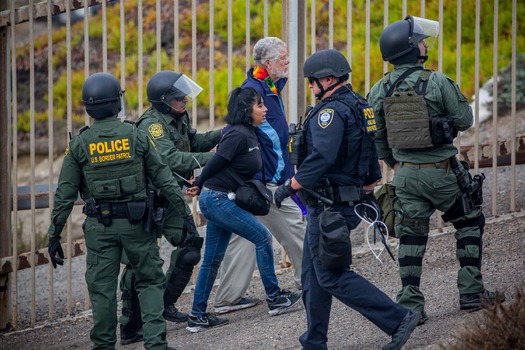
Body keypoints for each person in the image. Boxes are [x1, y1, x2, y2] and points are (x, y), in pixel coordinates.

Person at [273, 49, 420, 350]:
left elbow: (322, 156)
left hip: (331, 206)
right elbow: (370, 149)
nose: (311, 87)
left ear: (328, 79)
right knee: (313, 275)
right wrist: (368, 186)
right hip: (346, 199)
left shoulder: (330, 112)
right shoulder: (360, 105)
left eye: (313, 82)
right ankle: (314, 342)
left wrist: (292, 184)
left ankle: (398, 319)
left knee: (330, 275)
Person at [367, 15, 504, 325]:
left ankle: (411, 305)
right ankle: (471, 292)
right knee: (469, 221)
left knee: (411, 237)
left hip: (406, 175)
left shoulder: (379, 89)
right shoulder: (437, 81)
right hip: (442, 172)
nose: (424, 44)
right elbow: (465, 120)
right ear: (413, 49)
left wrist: (394, 162)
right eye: (421, 41)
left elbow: (375, 135)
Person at [46, 72, 193, 350]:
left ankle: (103, 346)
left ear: (88, 107)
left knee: (102, 290)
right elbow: (163, 177)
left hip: (99, 230)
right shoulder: (136, 134)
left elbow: (64, 194)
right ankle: (156, 345)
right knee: (150, 281)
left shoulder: (79, 144)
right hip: (137, 225)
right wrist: (184, 213)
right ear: (117, 103)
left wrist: (54, 235)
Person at [185, 87, 302, 333]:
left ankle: (197, 317)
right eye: (260, 105)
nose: (265, 109)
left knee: (212, 259)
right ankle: (275, 297)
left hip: (220, 199)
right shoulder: (237, 134)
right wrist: (198, 182)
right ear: (246, 110)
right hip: (217, 199)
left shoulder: (251, 133)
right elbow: (216, 161)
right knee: (262, 237)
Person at [118, 70, 221, 344]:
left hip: (170, 196)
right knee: (139, 264)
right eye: (178, 97)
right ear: (163, 101)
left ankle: (163, 304)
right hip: (147, 200)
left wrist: (224, 134)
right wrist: (214, 158)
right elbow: (171, 158)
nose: (185, 100)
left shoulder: (179, 117)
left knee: (189, 247)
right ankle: (130, 325)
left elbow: (192, 142)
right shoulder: (151, 125)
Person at [213, 37, 306, 315]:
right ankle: (311, 280)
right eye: (283, 58)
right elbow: (242, 133)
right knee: (297, 228)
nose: (288, 62)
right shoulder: (254, 91)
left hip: (257, 180)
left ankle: (227, 298)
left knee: (244, 238)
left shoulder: (268, 86)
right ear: (268, 63)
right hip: (267, 182)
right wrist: (281, 178)